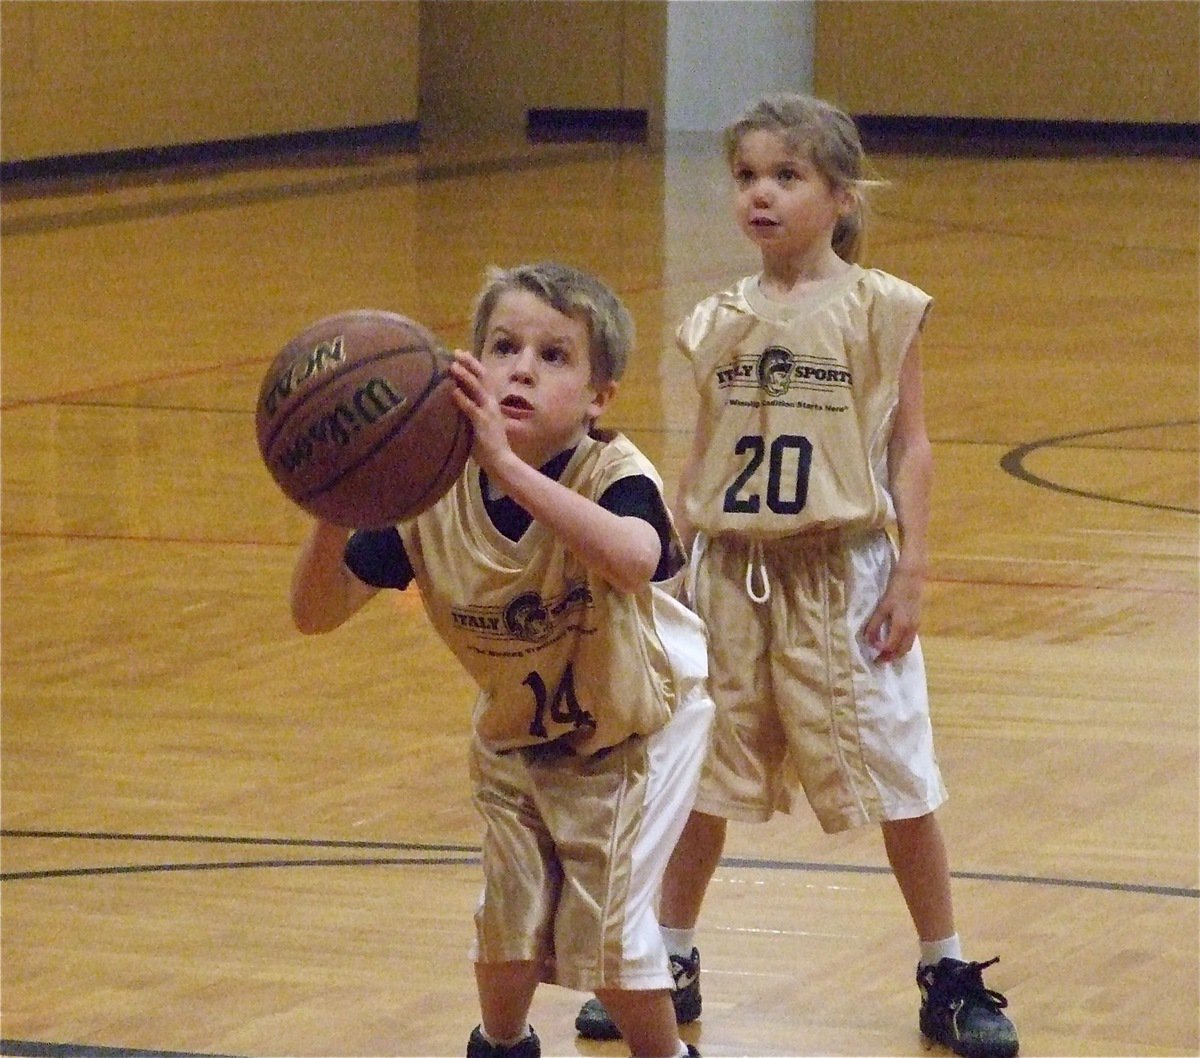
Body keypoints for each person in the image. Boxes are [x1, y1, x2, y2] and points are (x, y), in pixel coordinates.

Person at [574, 93, 1020, 1058]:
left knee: (900, 779)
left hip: (845, 571)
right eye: (745, 177)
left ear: (840, 194)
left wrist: (913, 566)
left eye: (786, 176)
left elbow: (912, 446)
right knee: (700, 777)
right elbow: (701, 453)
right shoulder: (716, 319)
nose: (760, 194)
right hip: (729, 573)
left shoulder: (881, 307)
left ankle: (945, 968)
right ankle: (671, 958)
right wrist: (678, 562)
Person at [290, 262, 714, 1058]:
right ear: (469, 368)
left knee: (609, 932)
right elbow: (314, 615)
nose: (522, 367)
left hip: (640, 724)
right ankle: (502, 1044)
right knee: (507, 924)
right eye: (503, 346)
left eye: (555, 356)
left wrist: (509, 470)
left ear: (598, 399)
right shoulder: (428, 495)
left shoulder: (612, 473)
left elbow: (634, 559)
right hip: (520, 726)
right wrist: (331, 507)